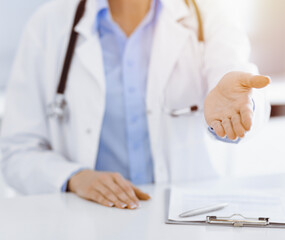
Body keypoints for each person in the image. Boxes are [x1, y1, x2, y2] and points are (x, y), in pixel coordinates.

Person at [0, 0, 270, 210]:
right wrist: (74, 177)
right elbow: (16, 151)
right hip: (88, 221)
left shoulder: (210, 14)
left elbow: (240, 86)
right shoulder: (47, 25)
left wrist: (239, 109)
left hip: (188, 220)